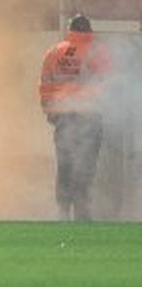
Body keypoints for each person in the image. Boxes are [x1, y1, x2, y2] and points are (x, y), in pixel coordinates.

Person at [39, 13, 109, 221]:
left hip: (63, 117)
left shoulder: (54, 53)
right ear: (88, 30)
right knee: (86, 166)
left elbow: (44, 85)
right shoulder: (96, 52)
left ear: (70, 30)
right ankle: (83, 212)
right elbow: (106, 84)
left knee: (65, 165)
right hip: (89, 116)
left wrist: (49, 111)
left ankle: (62, 212)